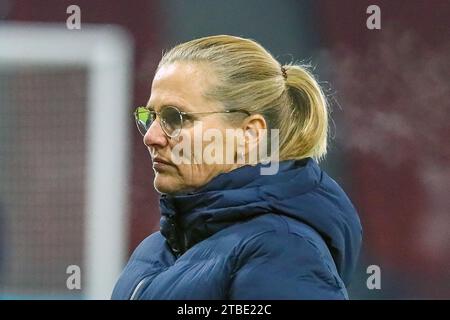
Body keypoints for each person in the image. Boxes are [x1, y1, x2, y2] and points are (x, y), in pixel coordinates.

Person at [111, 35, 362, 300]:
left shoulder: (284, 249)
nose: (151, 136)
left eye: (175, 117)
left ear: (250, 135)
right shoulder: (155, 249)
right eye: (150, 117)